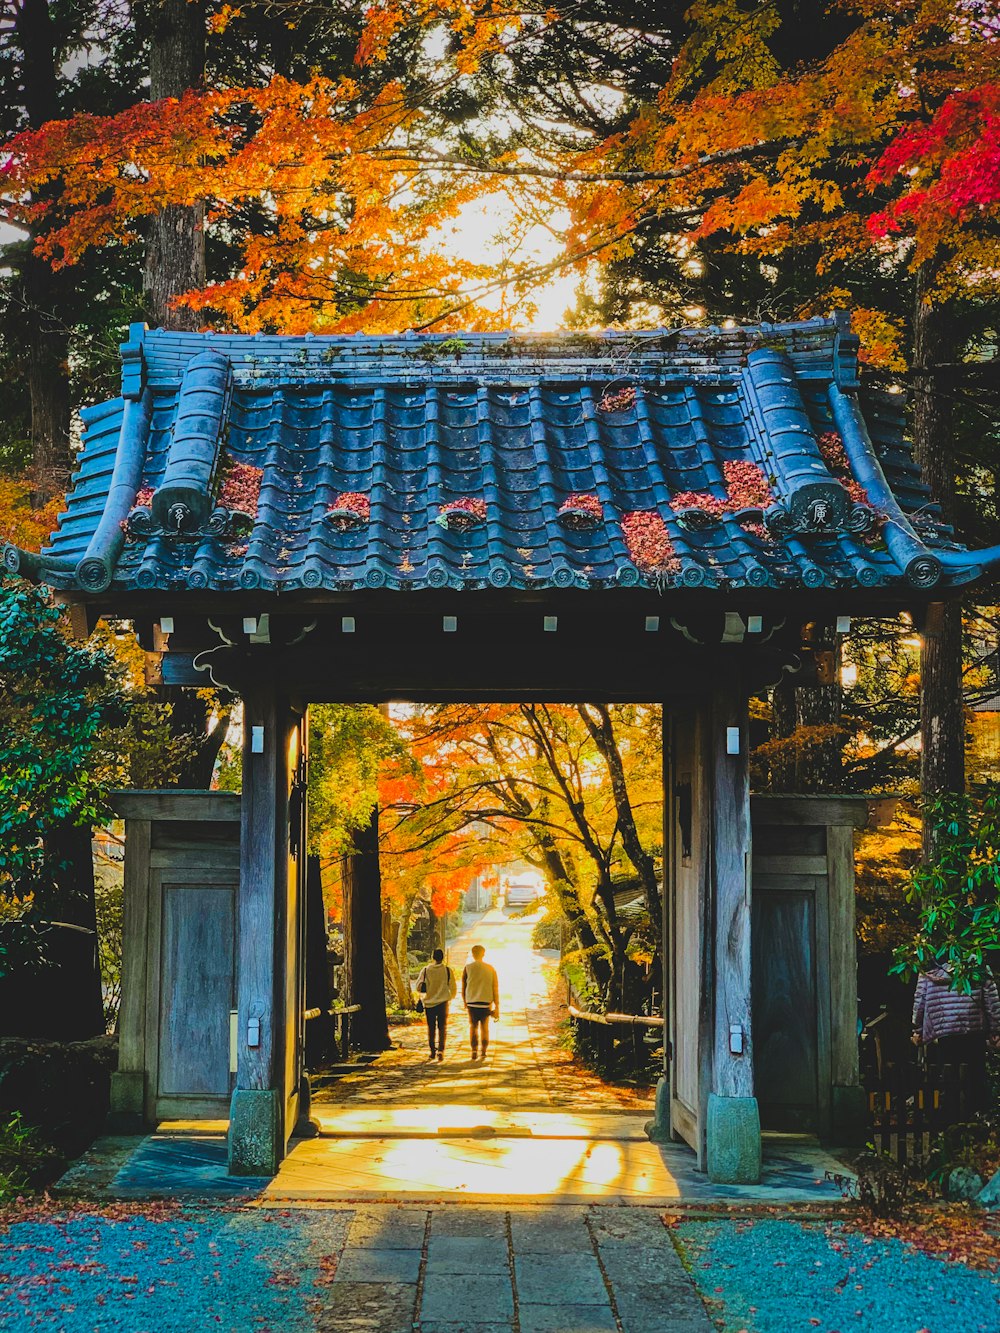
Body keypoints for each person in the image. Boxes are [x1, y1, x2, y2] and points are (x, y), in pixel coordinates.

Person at [912, 963, 1000, 1115]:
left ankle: (950, 1120)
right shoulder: (977, 964)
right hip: (972, 1029)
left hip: (944, 1029)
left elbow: (920, 999)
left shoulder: (929, 967)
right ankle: (976, 1119)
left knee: (948, 1076)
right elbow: (991, 999)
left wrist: (918, 1030)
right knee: (975, 1077)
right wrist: (995, 1029)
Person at [416, 948, 457, 1062]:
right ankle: (441, 1050)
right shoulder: (447, 970)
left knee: (431, 1028)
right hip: (443, 1003)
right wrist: (450, 997)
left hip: (429, 1004)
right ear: (443, 957)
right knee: (442, 1027)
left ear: (432, 957)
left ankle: (432, 1051)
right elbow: (453, 987)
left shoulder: (426, 970)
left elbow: (418, 986)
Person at [462, 944, 500, 1060]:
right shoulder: (490, 968)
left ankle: (474, 1050)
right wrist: (497, 1005)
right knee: (485, 1027)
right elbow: (495, 987)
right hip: (485, 1002)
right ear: (483, 954)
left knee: (473, 1026)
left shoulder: (468, 968)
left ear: (472, 954)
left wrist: (465, 1001)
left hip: (472, 1002)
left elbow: (464, 986)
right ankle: (483, 1050)